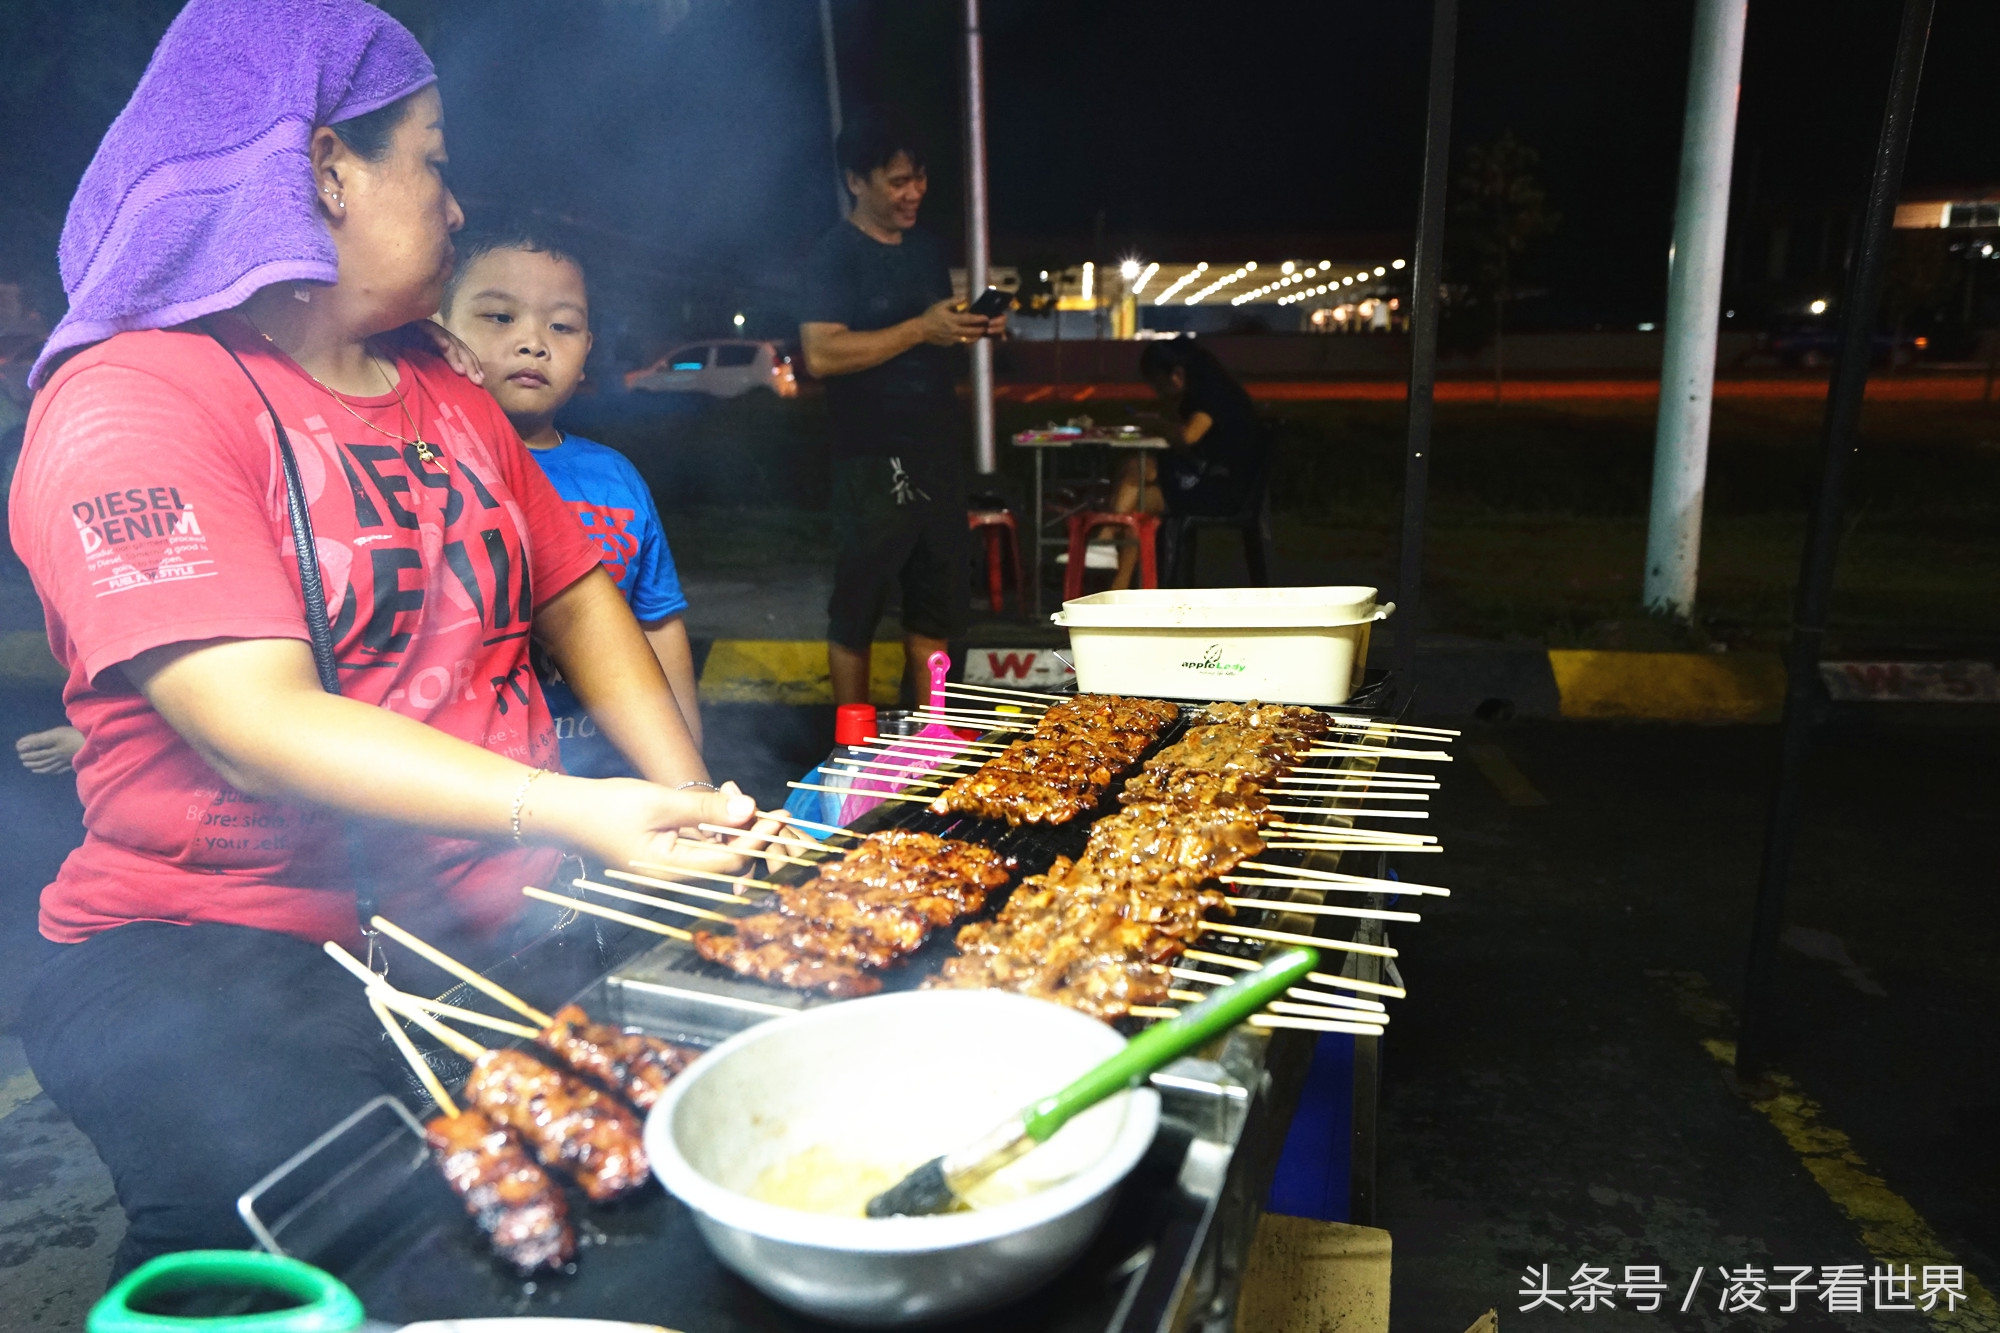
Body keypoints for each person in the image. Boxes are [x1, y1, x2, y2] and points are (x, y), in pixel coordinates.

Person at [6, 0, 772, 1277]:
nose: (454, 203)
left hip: (471, 926)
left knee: (607, 1230)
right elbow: (251, 723)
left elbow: (577, 591)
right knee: (317, 1249)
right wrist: (575, 811)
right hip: (215, 954)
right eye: (432, 157)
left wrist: (685, 808)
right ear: (321, 171)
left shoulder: (444, 389)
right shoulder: (131, 399)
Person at [439, 220, 703, 773]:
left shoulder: (616, 478)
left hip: (611, 781)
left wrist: (688, 774)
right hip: (481, 786)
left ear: (586, 351)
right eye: (500, 316)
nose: (534, 342)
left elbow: (657, 626)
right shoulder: (425, 463)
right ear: (439, 326)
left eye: (561, 326)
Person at [799, 108, 1004, 706]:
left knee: (934, 606)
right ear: (855, 181)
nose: (914, 192)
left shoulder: (925, 250)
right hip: (870, 458)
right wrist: (920, 328)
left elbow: (930, 332)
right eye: (897, 181)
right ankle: (850, 747)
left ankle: (932, 736)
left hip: (936, 449)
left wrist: (963, 326)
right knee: (858, 606)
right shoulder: (835, 254)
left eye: (919, 178)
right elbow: (821, 354)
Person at [1105, 336, 1270, 589]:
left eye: (1158, 385)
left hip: (1221, 488)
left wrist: (1155, 424)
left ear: (1176, 375)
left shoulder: (1212, 393)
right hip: (1210, 479)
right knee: (1136, 491)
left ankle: (1106, 541)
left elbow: (1189, 435)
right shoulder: (1207, 389)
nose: (1159, 392)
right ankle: (1118, 577)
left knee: (1136, 470)